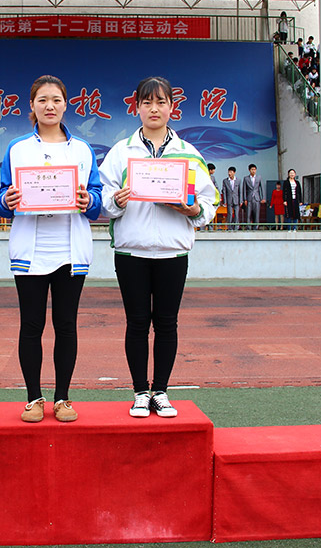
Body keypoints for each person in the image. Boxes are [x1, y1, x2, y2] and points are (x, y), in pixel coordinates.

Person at [100, 76, 218, 418]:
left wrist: (193, 210)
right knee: (137, 323)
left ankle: (161, 391)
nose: (154, 109)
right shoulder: (121, 152)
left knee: (167, 323)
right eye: (147, 102)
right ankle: (140, 392)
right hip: (132, 252)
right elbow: (103, 197)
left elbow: (208, 202)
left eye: (161, 102)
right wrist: (116, 201)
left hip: (172, 252)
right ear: (136, 107)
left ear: (171, 107)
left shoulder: (188, 154)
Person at [0, 75, 102, 423]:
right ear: (32, 105)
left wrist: (88, 201)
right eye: (42, 100)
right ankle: (33, 398)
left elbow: (97, 200)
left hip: (70, 250)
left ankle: (62, 398)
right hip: (31, 250)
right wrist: (7, 200)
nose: (50, 106)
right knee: (31, 325)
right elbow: (2, 198)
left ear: (65, 104)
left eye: (56, 99)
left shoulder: (82, 149)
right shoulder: (17, 148)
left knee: (66, 324)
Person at [242, 163, 264, 230]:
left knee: (256, 213)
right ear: (249, 170)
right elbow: (244, 189)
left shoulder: (259, 177)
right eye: (252, 169)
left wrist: (263, 198)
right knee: (248, 214)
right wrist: (245, 199)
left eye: (254, 169)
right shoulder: (246, 178)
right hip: (249, 198)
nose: (253, 171)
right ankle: (248, 227)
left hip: (257, 198)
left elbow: (262, 188)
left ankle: (256, 227)